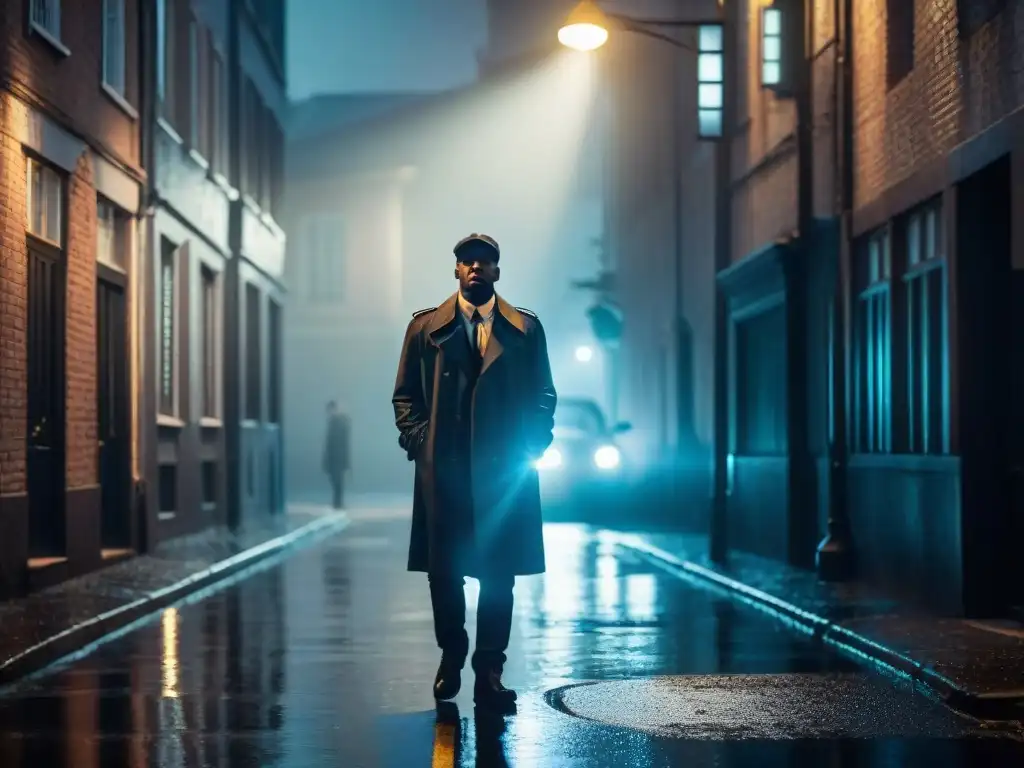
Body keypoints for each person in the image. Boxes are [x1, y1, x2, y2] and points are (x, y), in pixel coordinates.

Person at [392, 233, 556, 712]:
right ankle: (451, 654)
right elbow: (405, 396)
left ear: (497, 272)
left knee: (498, 575)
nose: (476, 268)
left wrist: (532, 443)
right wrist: (421, 442)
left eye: (485, 262)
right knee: (444, 573)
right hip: (443, 472)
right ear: (456, 271)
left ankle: (489, 670)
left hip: (504, 475)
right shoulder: (425, 329)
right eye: (467, 262)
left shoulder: (524, 328)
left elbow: (544, 393)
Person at [322, 400, 351, 509]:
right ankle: (337, 503)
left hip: (338, 457)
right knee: (336, 480)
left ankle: (338, 503)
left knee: (337, 481)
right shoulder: (334, 422)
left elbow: (342, 443)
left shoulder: (339, 423)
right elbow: (329, 443)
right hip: (334, 457)